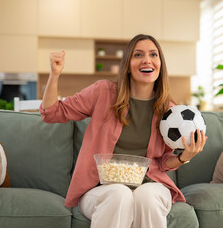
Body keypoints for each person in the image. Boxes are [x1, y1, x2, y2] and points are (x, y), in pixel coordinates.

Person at [40, 34, 207, 228]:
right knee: (119, 193)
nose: (147, 60)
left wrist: (184, 157)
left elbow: (162, 162)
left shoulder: (168, 111)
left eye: (153, 54)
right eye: (138, 55)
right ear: (127, 65)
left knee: (147, 196)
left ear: (160, 64)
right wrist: (54, 74)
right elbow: (51, 113)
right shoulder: (102, 92)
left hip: (150, 185)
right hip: (101, 189)